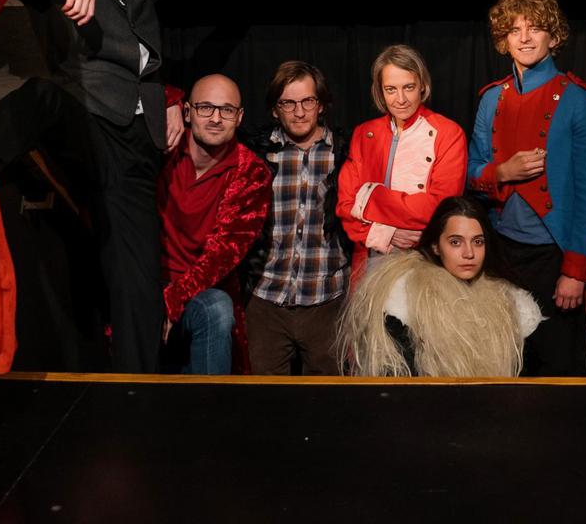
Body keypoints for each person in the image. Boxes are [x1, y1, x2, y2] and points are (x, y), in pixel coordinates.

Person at [0, 0, 272, 372]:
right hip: (88, 125)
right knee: (41, 95)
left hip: (137, 152)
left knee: (138, 283)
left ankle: (136, 391)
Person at [467, 0, 586, 376]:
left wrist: (575, 271)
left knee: (558, 368)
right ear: (504, 40)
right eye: (515, 30)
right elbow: (471, 169)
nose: (525, 38)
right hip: (501, 253)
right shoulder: (491, 99)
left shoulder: (579, 101)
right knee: (504, 364)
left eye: (535, 28)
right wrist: (501, 173)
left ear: (554, 36)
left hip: (554, 257)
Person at [338, 195, 542, 377]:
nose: (469, 253)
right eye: (455, 242)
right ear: (436, 246)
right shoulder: (402, 299)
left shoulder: (511, 304)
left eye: (478, 242)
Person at [243, 60, 353, 376]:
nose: (299, 112)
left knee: (326, 399)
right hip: (266, 301)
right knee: (264, 399)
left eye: (308, 101)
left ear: (321, 105)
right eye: (288, 103)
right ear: (275, 109)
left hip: (327, 301)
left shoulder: (345, 151)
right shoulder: (257, 152)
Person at [158, 74, 272, 375]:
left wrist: (174, 298)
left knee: (217, 307)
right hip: (148, 282)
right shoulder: (163, 148)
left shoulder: (251, 172)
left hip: (199, 292)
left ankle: (210, 403)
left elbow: (222, 255)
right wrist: (168, 99)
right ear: (187, 112)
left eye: (227, 110)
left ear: (239, 117)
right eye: (205, 108)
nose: (216, 119)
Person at [335, 44, 468, 279]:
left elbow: (439, 207)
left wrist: (371, 197)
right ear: (380, 91)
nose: (401, 99)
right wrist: (386, 233)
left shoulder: (449, 133)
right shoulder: (364, 133)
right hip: (370, 260)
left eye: (409, 87)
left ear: (422, 85)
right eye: (391, 89)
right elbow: (346, 206)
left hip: (425, 258)